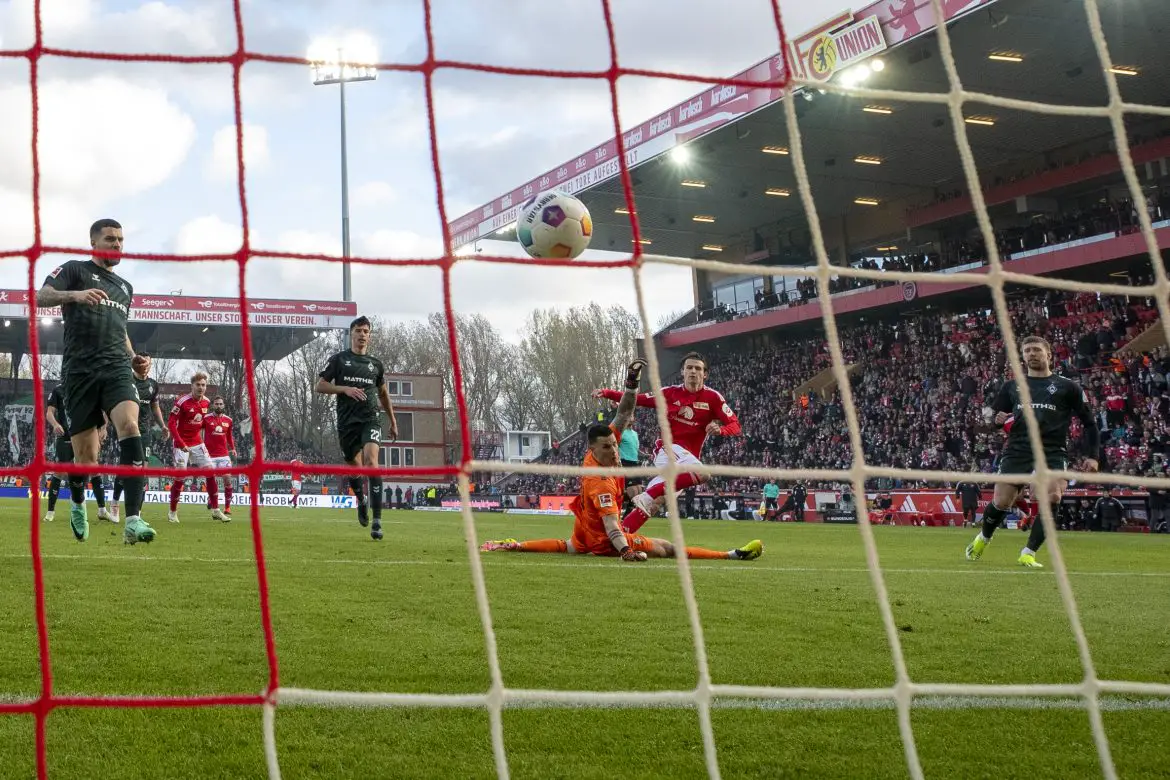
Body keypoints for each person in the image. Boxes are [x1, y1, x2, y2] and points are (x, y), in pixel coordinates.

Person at [481, 359, 763, 562]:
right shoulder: (600, 481)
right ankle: (731, 555)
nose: (616, 451)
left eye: (615, 444)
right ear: (593, 448)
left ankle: (514, 544)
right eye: (610, 447)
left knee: (570, 545)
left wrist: (627, 384)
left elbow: (625, 413)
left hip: (586, 533)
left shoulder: (600, 454)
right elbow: (613, 528)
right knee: (669, 547)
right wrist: (625, 550)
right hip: (611, 538)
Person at [35, 218, 155, 544]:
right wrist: (75, 295)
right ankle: (77, 503)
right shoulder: (74, 269)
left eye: (121, 240)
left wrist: (134, 360)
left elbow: (122, 333)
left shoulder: (126, 288)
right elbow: (41, 296)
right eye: (111, 240)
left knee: (130, 425)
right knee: (86, 461)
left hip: (116, 369)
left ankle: (133, 519)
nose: (117, 245)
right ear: (94, 243)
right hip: (79, 374)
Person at [965, 336, 1100, 568]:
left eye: (1036, 350)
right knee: (1002, 502)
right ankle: (983, 538)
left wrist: (1093, 456)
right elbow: (992, 420)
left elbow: (1090, 423)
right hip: (1018, 449)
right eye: (1027, 351)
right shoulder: (1012, 386)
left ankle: (1028, 552)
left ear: (1049, 355)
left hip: (1052, 451)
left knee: (1052, 497)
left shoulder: (1068, 387)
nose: (1031, 354)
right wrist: (996, 421)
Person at [592, 352, 741, 533]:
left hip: (687, 460)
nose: (693, 371)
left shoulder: (713, 398)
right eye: (689, 367)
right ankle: (648, 494)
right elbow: (638, 399)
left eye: (698, 368)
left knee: (656, 503)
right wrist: (607, 393)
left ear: (705, 374)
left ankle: (620, 535)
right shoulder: (669, 393)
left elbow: (735, 425)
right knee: (703, 473)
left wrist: (721, 429)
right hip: (667, 449)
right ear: (682, 371)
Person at [315, 316, 398, 540]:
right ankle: (361, 500)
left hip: (370, 419)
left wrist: (392, 419)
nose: (362, 334)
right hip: (346, 423)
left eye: (366, 331)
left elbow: (383, 393)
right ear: (351, 333)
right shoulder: (339, 360)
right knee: (354, 466)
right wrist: (345, 389)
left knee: (372, 463)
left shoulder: (376, 364)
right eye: (359, 330)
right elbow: (320, 386)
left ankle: (378, 521)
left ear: (369, 336)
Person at [43, 384, 114, 524]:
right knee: (59, 471)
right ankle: (50, 512)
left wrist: (103, 428)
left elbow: (103, 410)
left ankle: (101, 510)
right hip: (65, 436)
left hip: (85, 435)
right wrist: (55, 424)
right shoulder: (58, 390)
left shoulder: (89, 385)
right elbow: (49, 412)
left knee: (94, 469)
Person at [110, 352, 166, 522]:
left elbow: (155, 407)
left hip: (145, 433)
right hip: (126, 431)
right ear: (136, 365)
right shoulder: (127, 381)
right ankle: (114, 504)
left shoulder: (153, 385)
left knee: (143, 471)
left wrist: (163, 425)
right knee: (126, 469)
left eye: (148, 364)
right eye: (142, 363)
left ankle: (137, 513)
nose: (145, 367)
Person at [167, 371, 224, 523]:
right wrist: (180, 443)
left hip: (197, 442)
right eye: (198, 385)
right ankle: (172, 512)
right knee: (180, 477)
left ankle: (216, 510)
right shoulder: (181, 402)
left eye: (203, 385)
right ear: (191, 386)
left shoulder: (206, 402)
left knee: (210, 471)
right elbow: (171, 424)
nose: (201, 387)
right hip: (181, 443)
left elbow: (202, 424)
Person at [202, 396, 237, 519]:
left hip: (224, 455)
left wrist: (232, 448)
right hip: (209, 456)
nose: (218, 406)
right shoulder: (206, 419)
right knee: (211, 480)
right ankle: (212, 500)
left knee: (227, 479)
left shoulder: (229, 420)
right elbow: (196, 431)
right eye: (216, 404)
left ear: (224, 405)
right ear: (213, 405)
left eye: (221, 404)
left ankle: (227, 507)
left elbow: (229, 436)